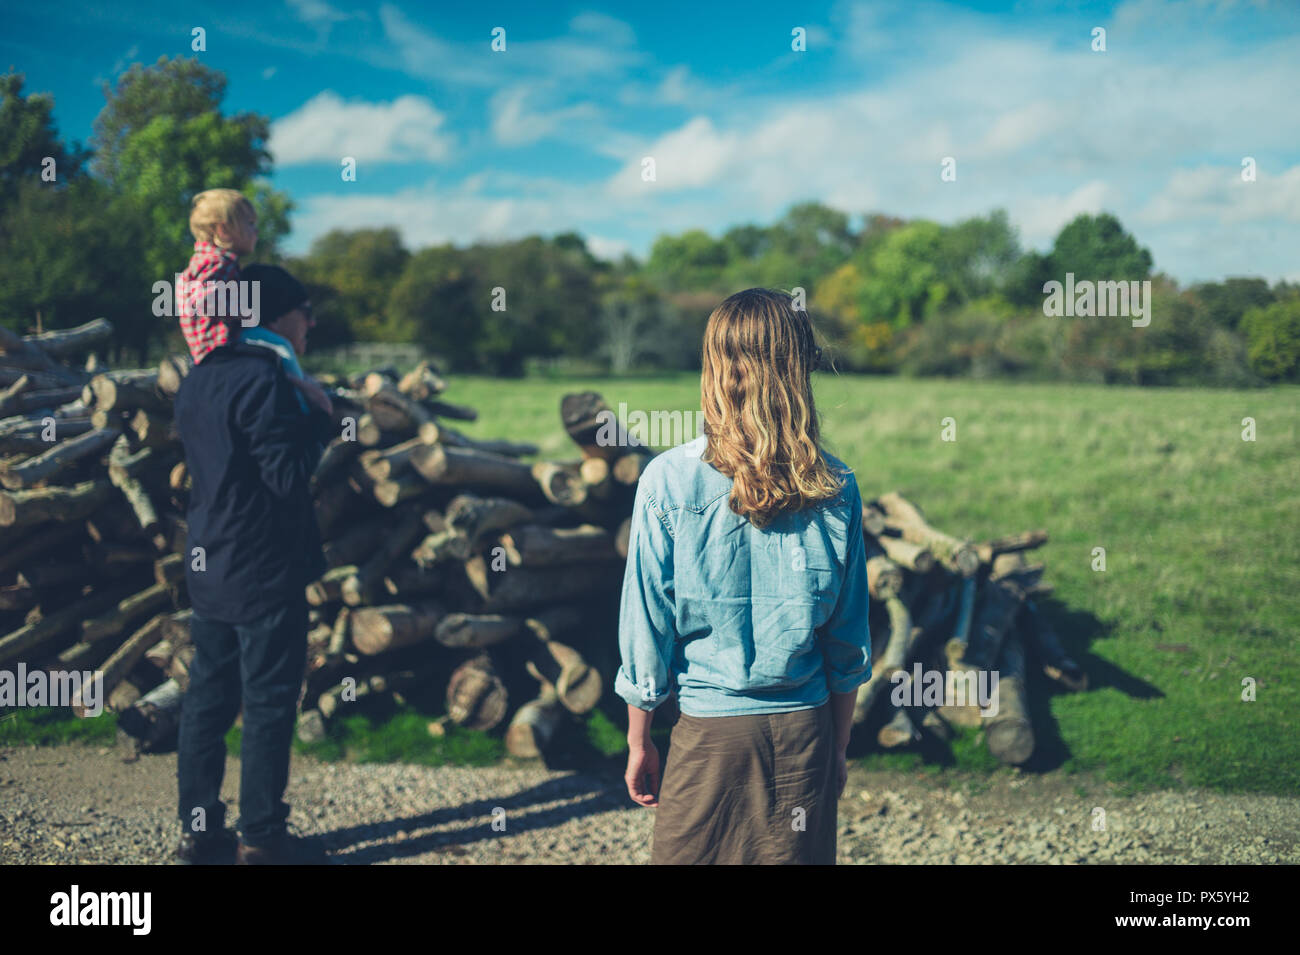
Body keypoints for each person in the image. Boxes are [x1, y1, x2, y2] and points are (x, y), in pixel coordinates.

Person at [615, 287, 871, 865]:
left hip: (707, 735)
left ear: (715, 367)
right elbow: (848, 637)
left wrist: (639, 740)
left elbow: (646, 627)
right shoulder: (837, 486)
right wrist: (839, 742)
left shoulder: (666, 481)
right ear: (798, 367)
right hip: (805, 731)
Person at [172, 265, 334, 865]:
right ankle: (262, 838)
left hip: (209, 562)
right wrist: (320, 414)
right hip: (264, 568)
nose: (311, 322)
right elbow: (287, 476)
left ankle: (199, 835)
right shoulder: (267, 381)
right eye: (305, 310)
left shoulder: (200, 377)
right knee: (267, 704)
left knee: (207, 701)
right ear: (275, 317)